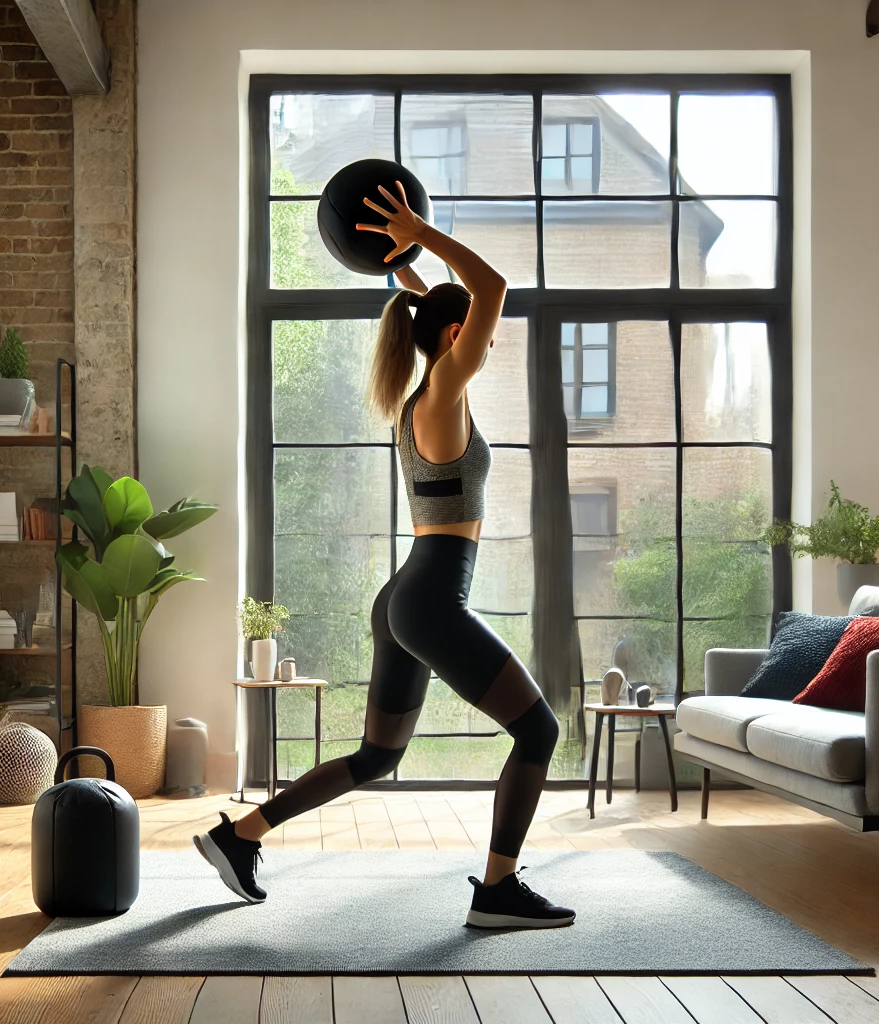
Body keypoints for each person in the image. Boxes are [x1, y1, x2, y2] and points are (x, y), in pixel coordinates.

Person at [195, 183, 573, 929]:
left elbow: (452, 304)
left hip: (407, 595)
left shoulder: (424, 392)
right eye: (479, 330)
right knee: (540, 730)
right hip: (431, 599)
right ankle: (497, 892)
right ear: (458, 332)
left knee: (376, 757)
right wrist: (420, 230)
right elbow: (491, 287)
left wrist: (407, 271)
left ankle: (239, 837)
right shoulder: (445, 389)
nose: (492, 336)